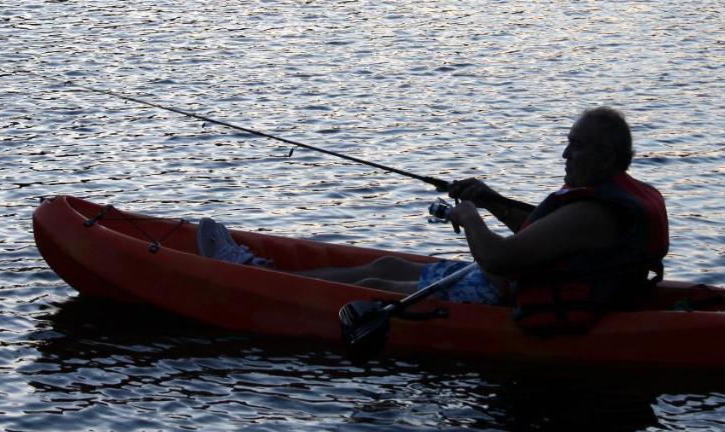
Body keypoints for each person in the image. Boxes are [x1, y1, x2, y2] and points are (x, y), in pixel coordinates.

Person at [198, 108, 669, 330]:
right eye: (568, 140)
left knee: (380, 290)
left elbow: (501, 258)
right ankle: (260, 273)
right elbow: (538, 234)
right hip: (499, 283)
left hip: (500, 295)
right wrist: (489, 199)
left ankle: (260, 288)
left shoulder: (592, 213)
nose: (566, 153)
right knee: (383, 266)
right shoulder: (597, 202)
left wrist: (469, 218)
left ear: (607, 157)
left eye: (578, 145)